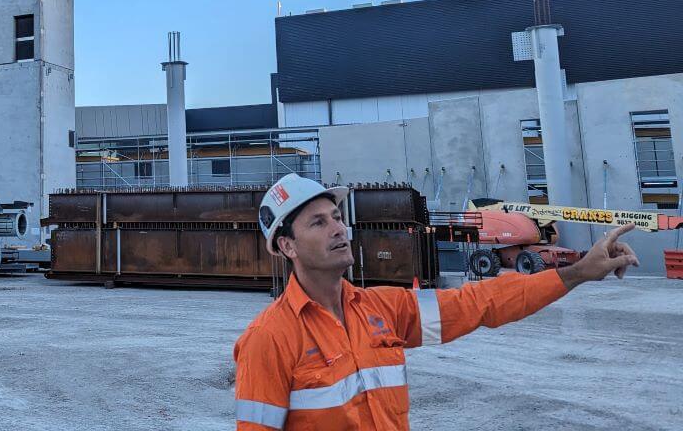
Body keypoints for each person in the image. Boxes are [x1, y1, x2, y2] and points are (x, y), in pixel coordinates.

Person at [234, 173, 639, 431]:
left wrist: (577, 272)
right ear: (287, 246)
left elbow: (480, 302)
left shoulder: (382, 310)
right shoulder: (269, 339)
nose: (339, 229)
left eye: (336, 217)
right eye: (318, 223)